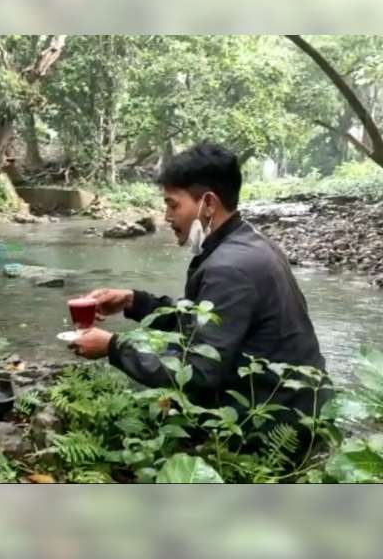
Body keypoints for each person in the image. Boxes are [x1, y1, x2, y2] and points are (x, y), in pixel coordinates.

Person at [70, 142, 330, 421]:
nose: (167, 217)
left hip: (278, 422)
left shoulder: (229, 268)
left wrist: (112, 347)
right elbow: (203, 321)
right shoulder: (247, 242)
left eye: (173, 205)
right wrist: (133, 301)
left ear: (208, 203)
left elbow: (200, 371)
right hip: (299, 402)